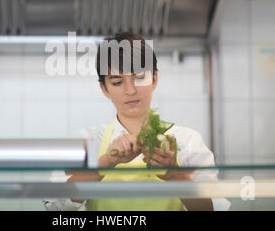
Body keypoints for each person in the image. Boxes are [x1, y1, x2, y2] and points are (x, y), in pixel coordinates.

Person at [43, 32, 230, 211]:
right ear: (104, 89)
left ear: (154, 79)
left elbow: (214, 208)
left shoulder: (187, 141)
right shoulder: (89, 140)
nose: (131, 90)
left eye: (139, 77)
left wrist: (176, 176)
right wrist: (106, 162)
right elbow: (54, 204)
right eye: (117, 82)